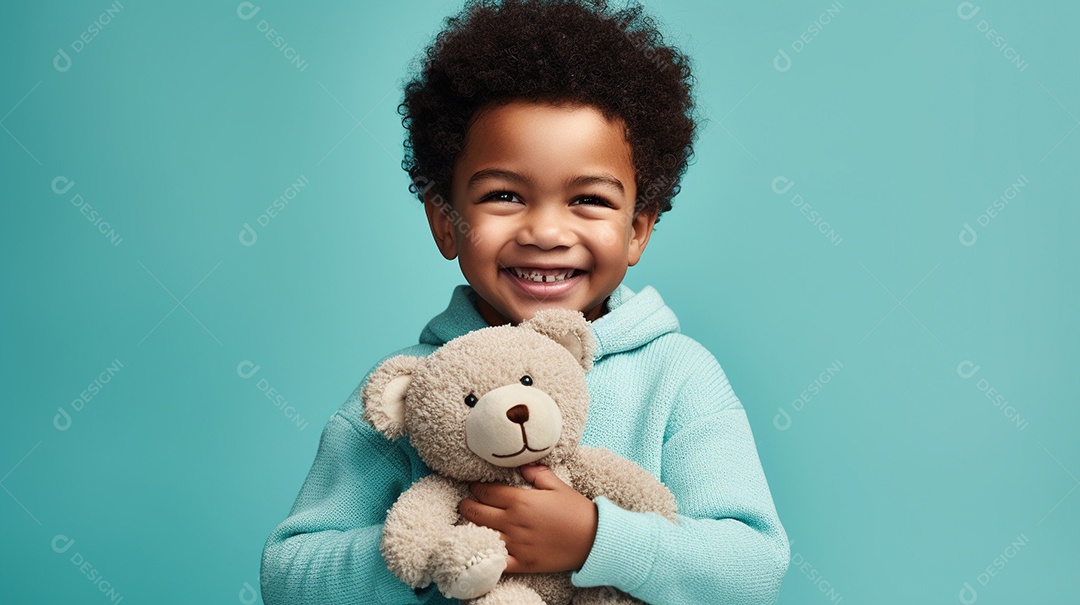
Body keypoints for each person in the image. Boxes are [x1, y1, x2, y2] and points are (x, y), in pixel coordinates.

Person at [261, 1, 789, 603]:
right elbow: (289, 575)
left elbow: (753, 566)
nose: (545, 231)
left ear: (638, 229)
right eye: (506, 194)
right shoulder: (407, 391)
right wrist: (447, 542)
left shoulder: (678, 376)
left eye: (588, 199)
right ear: (445, 222)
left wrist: (595, 539)